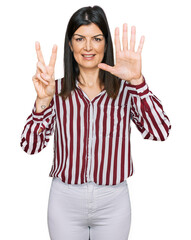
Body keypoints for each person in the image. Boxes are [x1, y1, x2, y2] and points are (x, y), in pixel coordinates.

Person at [20, 5, 171, 240]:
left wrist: (138, 82)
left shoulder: (126, 89)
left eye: (96, 39)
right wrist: (42, 101)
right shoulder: (55, 90)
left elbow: (160, 131)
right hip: (65, 200)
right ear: (70, 45)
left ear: (106, 44)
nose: (88, 47)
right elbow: (30, 146)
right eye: (80, 38)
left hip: (113, 201)